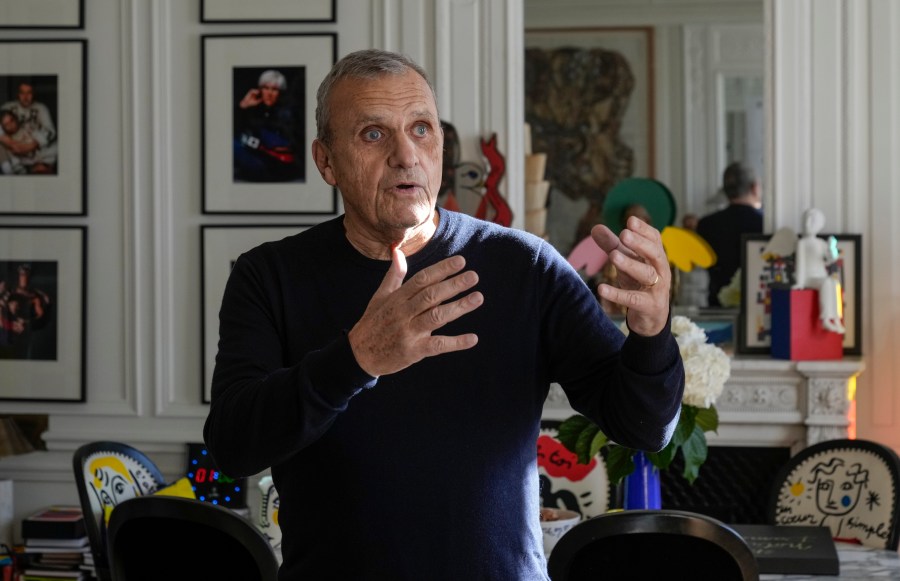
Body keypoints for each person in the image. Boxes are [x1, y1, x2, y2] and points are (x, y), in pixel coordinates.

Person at [204, 49, 684, 580]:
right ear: (326, 162)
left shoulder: (526, 266)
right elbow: (233, 445)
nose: (405, 155)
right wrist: (356, 359)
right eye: (373, 134)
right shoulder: (267, 276)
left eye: (421, 129)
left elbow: (642, 427)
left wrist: (651, 333)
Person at [696, 162, 763, 307]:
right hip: (757, 306)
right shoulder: (763, 224)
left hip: (716, 306)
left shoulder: (706, 225)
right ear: (755, 188)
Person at [233, 69, 303, 182]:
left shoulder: (288, 113)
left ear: (280, 92)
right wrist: (243, 106)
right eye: (265, 88)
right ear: (260, 90)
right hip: (256, 161)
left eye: (274, 89)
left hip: (279, 166)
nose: (269, 93)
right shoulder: (253, 110)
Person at [793, 208, 845, 334]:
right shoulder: (802, 243)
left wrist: (832, 249)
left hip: (820, 275)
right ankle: (826, 318)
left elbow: (828, 259)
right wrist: (799, 282)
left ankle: (837, 318)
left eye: (813, 222)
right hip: (809, 277)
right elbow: (800, 263)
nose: (808, 224)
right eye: (807, 221)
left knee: (834, 284)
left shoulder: (821, 243)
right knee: (827, 283)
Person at [0, 81, 58, 174]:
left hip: (41, 151)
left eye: (29, 93)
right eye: (22, 93)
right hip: (17, 153)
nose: (26, 97)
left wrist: (31, 145)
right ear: (18, 94)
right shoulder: (8, 107)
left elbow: (51, 132)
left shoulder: (41, 108)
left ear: (33, 94)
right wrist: (9, 142)